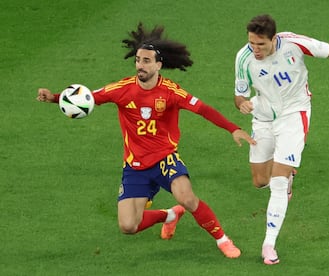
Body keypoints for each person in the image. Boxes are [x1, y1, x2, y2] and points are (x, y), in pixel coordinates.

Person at [37, 22, 256, 259]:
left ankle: (222, 240)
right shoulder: (122, 89)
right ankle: (170, 215)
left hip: (165, 159)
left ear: (159, 65)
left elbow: (203, 109)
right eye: (138, 60)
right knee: (128, 226)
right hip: (135, 166)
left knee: (187, 197)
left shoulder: (171, 92)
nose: (140, 66)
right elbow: (88, 98)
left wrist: (232, 128)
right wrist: (55, 98)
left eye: (146, 61)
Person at [233, 14, 329, 265]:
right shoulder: (243, 57)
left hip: (294, 114)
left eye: (261, 45)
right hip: (263, 117)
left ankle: (269, 244)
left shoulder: (294, 43)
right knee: (260, 181)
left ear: (274, 39)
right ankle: (287, 177)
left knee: (276, 183)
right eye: (252, 43)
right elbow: (239, 94)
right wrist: (243, 105)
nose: (255, 49)